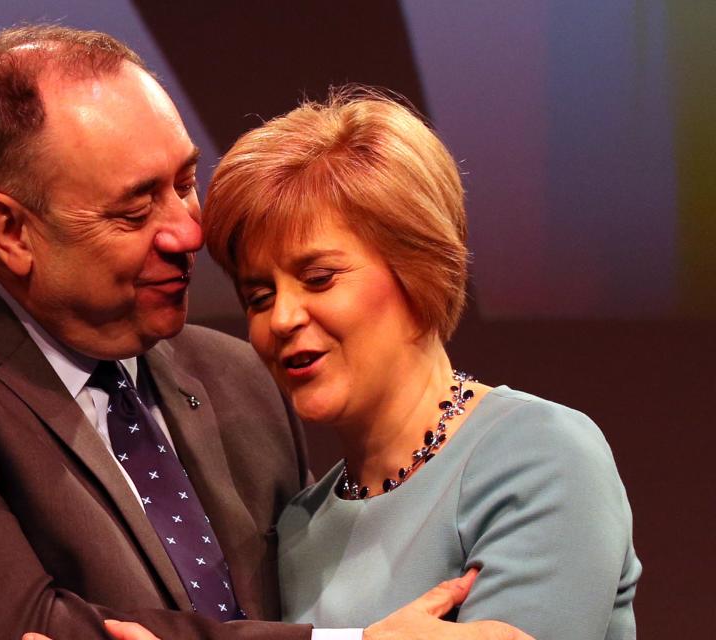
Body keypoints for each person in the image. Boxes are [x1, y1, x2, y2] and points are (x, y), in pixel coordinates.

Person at [0, 26, 530, 640]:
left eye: (185, 182)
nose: (188, 232)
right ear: (11, 230)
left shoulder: (238, 377)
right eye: (134, 211)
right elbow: (29, 624)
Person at [192, 89, 640, 639]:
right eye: (258, 296)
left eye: (318, 278)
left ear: (417, 269)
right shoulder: (298, 527)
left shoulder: (540, 454)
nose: (281, 318)